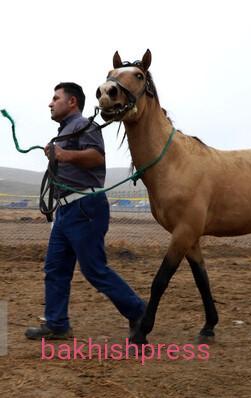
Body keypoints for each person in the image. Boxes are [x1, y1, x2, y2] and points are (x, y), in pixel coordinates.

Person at [25, 82, 145, 340]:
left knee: (93, 269)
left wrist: (63, 154)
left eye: (55, 98)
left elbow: (97, 157)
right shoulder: (66, 130)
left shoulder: (83, 125)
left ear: (72, 102)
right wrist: (56, 154)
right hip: (66, 211)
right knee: (55, 268)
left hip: (84, 208)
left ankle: (139, 312)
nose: (50, 103)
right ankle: (57, 324)